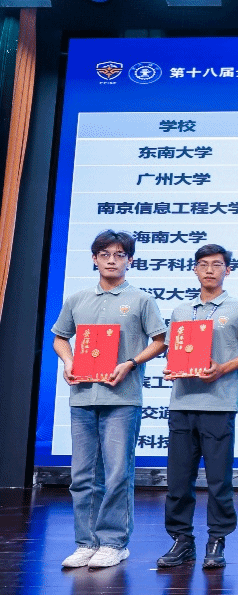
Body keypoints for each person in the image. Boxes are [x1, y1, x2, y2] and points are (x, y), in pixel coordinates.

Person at [51, 230, 166, 569]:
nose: (112, 260)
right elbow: (60, 338)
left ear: (130, 260)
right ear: (94, 258)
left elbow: (160, 340)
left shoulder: (141, 300)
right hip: (83, 395)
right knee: (82, 475)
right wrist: (68, 362)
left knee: (117, 473)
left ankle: (114, 543)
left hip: (122, 397)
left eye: (119, 254)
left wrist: (131, 362)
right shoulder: (78, 299)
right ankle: (86, 542)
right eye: (105, 254)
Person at [159, 244, 238, 569]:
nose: (210, 270)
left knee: (218, 480)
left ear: (227, 270)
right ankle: (181, 540)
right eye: (203, 264)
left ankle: (217, 539)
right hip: (182, 403)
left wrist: (222, 369)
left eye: (217, 264)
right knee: (178, 479)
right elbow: (174, 351)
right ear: (195, 269)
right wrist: (172, 367)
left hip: (219, 404)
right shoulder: (181, 311)